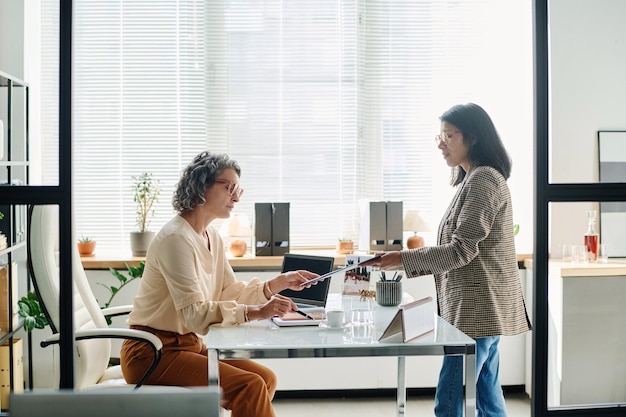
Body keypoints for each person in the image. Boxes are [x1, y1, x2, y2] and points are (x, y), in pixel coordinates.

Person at [120, 151, 320, 417]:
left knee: (265, 379)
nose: (236, 197)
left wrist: (276, 283)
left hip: (190, 345)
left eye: (238, 189)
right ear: (202, 186)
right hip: (151, 352)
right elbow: (194, 314)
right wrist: (258, 312)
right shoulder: (175, 239)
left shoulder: (210, 235)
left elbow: (228, 290)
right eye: (229, 188)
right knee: (250, 386)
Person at [363, 103, 531, 417]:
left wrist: (401, 258)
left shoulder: (483, 180)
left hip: (478, 308)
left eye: (448, 135)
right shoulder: (472, 179)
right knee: (487, 396)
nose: (440, 143)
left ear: (474, 138)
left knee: (451, 395)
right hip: (479, 308)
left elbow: (460, 251)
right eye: (439, 136)